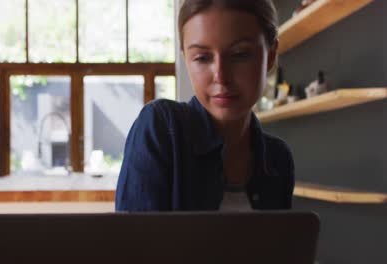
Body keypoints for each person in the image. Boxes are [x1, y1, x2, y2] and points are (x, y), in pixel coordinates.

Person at [115, 0, 294, 211]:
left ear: (271, 55)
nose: (221, 77)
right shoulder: (161, 127)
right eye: (202, 58)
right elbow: (134, 242)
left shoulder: (278, 159)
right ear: (186, 60)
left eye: (239, 55)